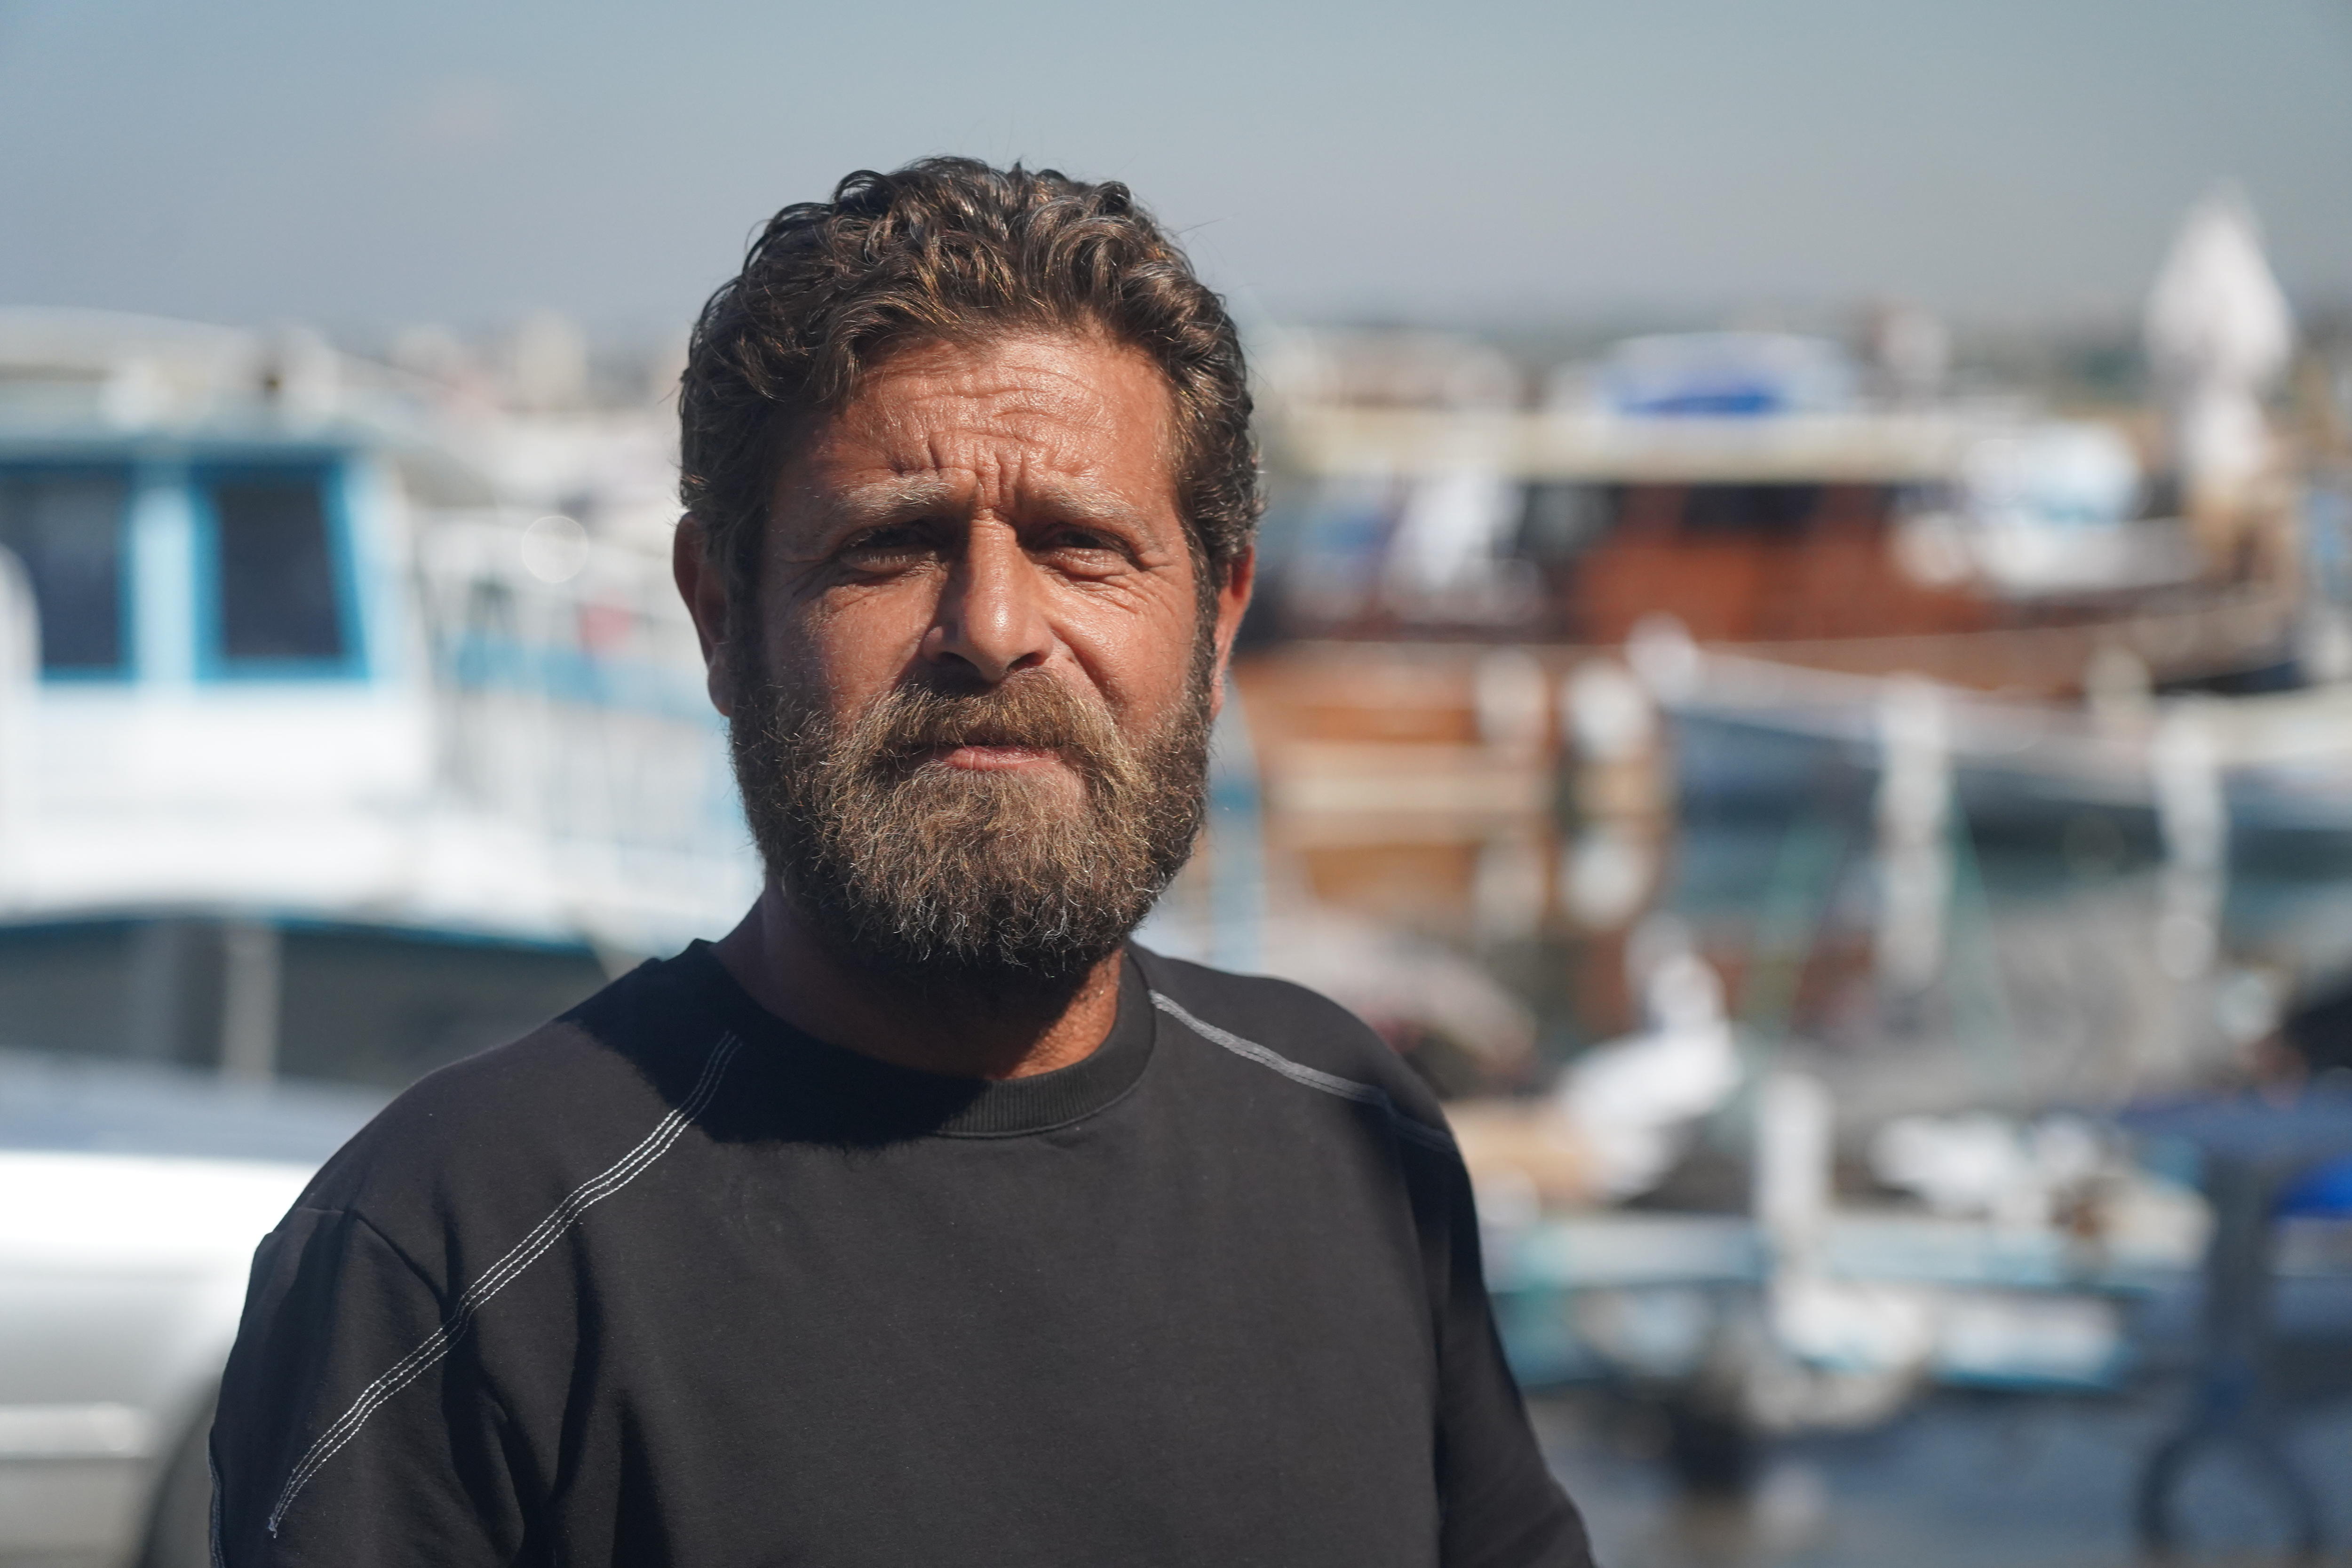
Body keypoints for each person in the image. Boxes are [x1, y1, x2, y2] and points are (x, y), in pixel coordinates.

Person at [210, 158, 1593, 1568]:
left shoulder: (1357, 1139)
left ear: (1221, 621)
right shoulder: (448, 1252)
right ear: (720, 614)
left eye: (1081, 545)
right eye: (892, 546)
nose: (992, 628)